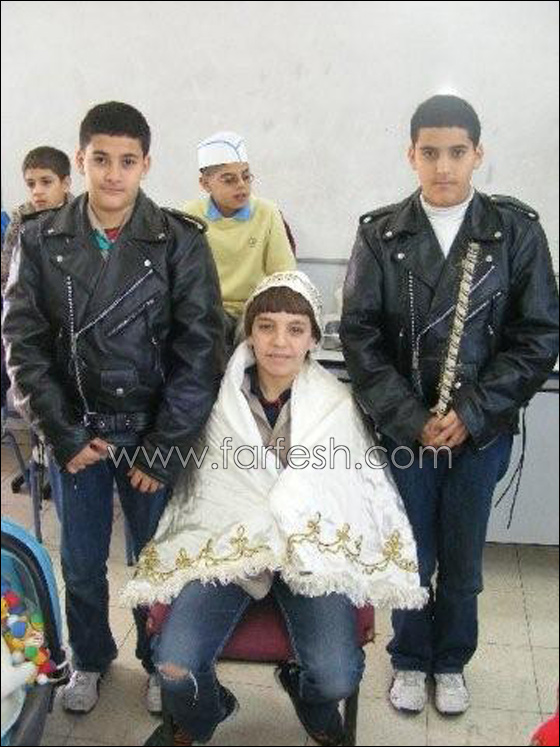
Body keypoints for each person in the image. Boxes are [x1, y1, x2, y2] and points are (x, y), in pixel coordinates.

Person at [123, 271, 427, 747]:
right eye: (266, 326)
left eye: (295, 329)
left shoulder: (336, 405)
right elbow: (205, 488)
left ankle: (307, 697)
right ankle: (207, 714)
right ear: (249, 332)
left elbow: (354, 491)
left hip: (309, 556)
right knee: (175, 668)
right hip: (230, 546)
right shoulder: (215, 401)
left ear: (313, 339)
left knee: (335, 678)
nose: (280, 342)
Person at [2, 101, 225, 715]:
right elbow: (23, 346)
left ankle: (158, 660)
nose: (113, 174)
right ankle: (91, 658)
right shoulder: (39, 239)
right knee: (80, 564)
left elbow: (200, 352)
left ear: (146, 164)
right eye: (101, 159)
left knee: (156, 560)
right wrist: (63, 435)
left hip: (151, 434)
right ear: (81, 160)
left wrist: (164, 446)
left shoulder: (179, 240)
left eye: (128, 161)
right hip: (78, 435)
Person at [340, 94, 559, 716]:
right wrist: (411, 418)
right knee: (411, 551)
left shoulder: (515, 232)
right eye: (430, 152)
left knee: (463, 557)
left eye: (457, 152)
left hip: (480, 432)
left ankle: (453, 659)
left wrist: (472, 413)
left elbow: (538, 334)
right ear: (410, 155)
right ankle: (410, 658)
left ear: (478, 154)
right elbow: (359, 337)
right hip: (406, 431)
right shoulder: (380, 234)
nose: (443, 166)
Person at [183, 131, 296, 342]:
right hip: (207, 309)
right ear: (205, 184)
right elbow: (181, 278)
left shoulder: (267, 213)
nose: (242, 185)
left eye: (246, 176)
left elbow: (284, 276)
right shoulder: (190, 216)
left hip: (256, 309)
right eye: (229, 180)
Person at [1, 146, 73, 294]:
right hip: (29, 294)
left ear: (65, 184)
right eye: (31, 184)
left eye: (46, 182)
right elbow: (6, 269)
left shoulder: (80, 215)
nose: (37, 191)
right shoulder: (20, 217)